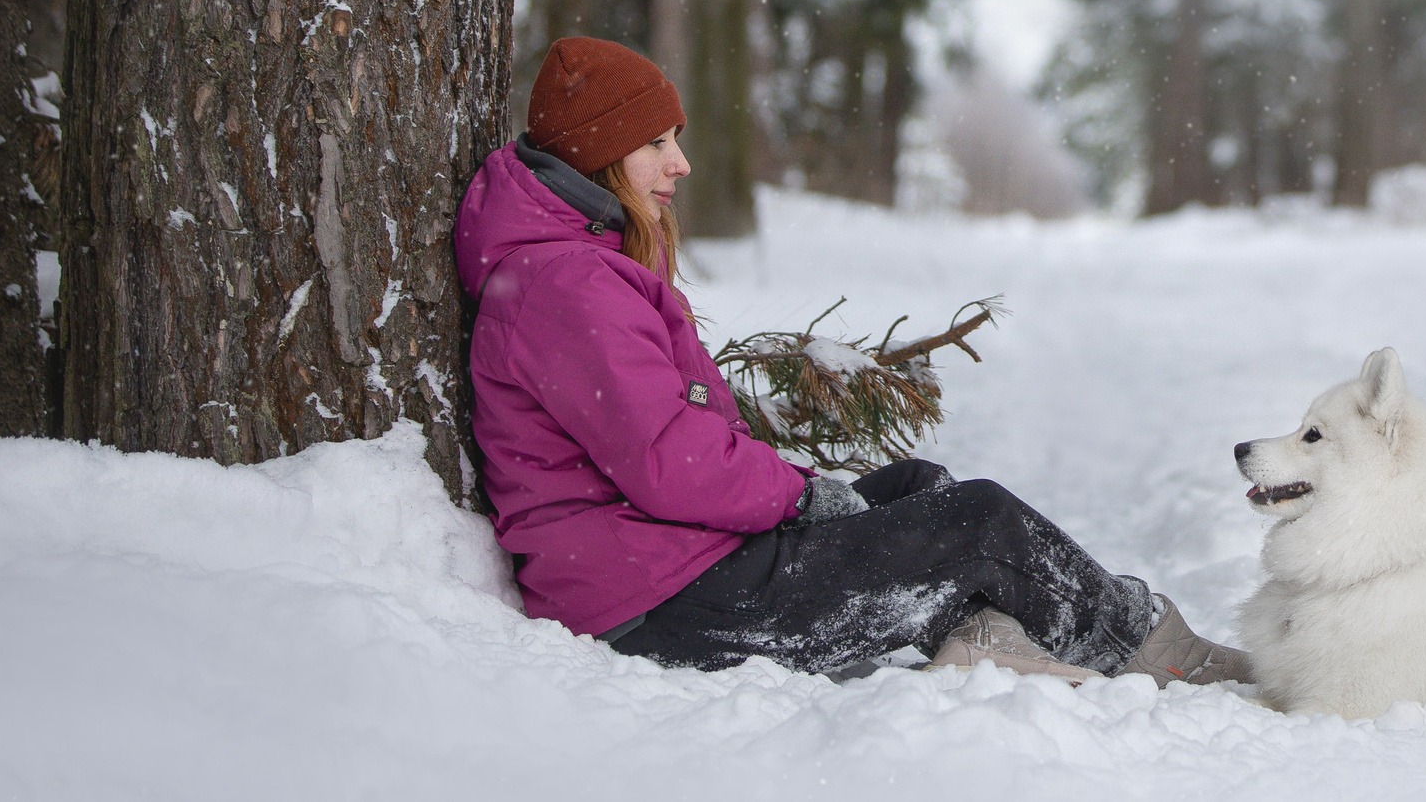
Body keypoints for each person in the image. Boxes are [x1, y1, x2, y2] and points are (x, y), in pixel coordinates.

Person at [454, 35, 1248, 684]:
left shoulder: (574, 264)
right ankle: (1152, 649)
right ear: (601, 154)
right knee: (977, 521)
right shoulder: (568, 286)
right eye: (655, 142)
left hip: (673, 564)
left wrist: (800, 497)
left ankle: (982, 643)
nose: (680, 163)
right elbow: (673, 463)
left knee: (913, 488)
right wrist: (798, 499)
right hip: (658, 600)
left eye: (677, 139)